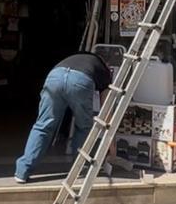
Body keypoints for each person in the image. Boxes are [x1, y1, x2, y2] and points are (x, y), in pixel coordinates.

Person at [14, 51, 112, 184]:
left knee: (43, 126)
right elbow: (106, 104)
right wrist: (111, 136)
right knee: (83, 127)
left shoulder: (78, 57)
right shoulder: (104, 70)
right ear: (106, 62)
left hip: (55, 77)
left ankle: (22, 171)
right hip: (81, 81)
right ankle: (78, 169)